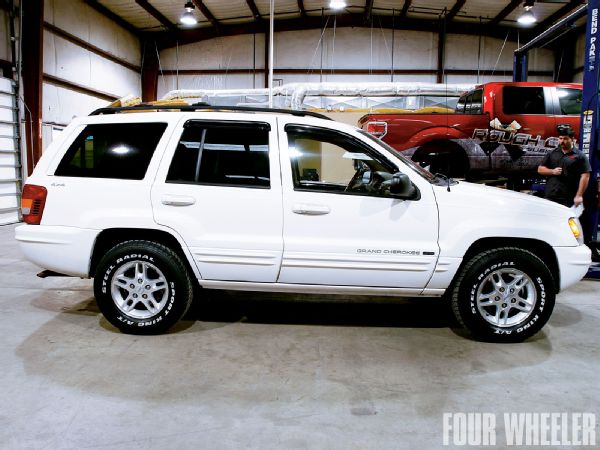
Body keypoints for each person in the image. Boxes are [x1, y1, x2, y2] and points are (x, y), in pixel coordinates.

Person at [537, 124, 591, 207]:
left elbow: (585, 176)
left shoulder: (579, 156)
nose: (562, 141)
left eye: (565, 139)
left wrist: (579, 195)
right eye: (560, 138)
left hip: (568, 197)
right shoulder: (552, 153)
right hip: (551, 195)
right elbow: (540, 169)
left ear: (572, 139)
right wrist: (552, 171)